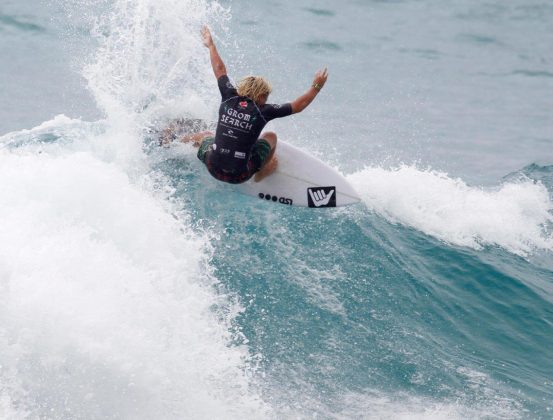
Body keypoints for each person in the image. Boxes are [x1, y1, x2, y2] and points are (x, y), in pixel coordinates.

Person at [179, 26, 328, 184]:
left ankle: (178, 142)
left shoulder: (228, 96)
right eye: (266, 96)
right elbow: (298, 106)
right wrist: (316, 86)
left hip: (212, 167)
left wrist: (211, 45)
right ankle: (264, 171)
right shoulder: (263, 111)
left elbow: (220, 69)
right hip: (240, 176)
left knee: (205, 136)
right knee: (271, 137)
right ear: (262, 95)